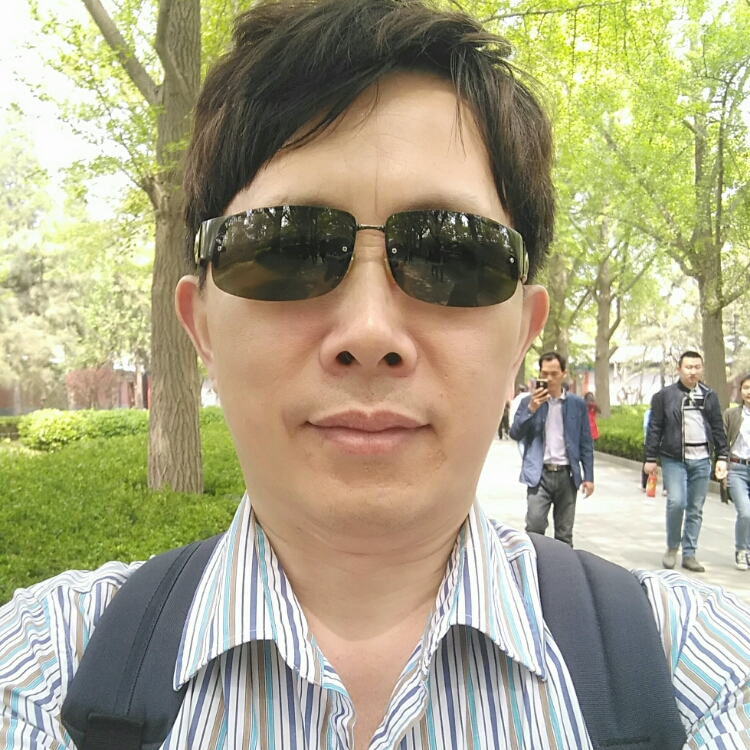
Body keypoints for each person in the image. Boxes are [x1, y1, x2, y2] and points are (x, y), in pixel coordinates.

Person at [1, 2, 750, 748]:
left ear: (523, 332)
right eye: (287, 248)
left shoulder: (702, 680)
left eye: (453, 255)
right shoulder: (41, 677)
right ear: (201, 326)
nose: (368, 333)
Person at [644, 351, 729, 573]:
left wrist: (722, 456)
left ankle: (689, 553)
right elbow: (654, 428)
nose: (693, 372)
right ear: (679, 369)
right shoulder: (665, 396)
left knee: (695, 508)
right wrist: (650, 458)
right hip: (674, 459)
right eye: (689, 367)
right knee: (676, 502)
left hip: (702, 458)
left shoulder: (709, 395)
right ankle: (673, 547)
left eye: (697, 367)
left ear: (702, 369)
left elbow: (717, 427)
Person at [509, 352, 595, 547]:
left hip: (567, 475)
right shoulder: (528, 402)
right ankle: (534, 564)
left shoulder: (576, 404)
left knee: (564, 533)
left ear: (564, 374)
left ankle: (563, 566)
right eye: (544, 373)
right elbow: (515, 433)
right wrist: (531, 409)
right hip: (539, 474)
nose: (549, 379)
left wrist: (588, 476)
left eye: (554, 374)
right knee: (534, 527)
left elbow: (585, 441)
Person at [723, 373, 750, 571]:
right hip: (737, 469)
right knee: (746, 512)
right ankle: (741, 550)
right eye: (746, 388)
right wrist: (721, 464)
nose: (749, 392)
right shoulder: (731, 414)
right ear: (740, 391)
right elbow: (722, 442)